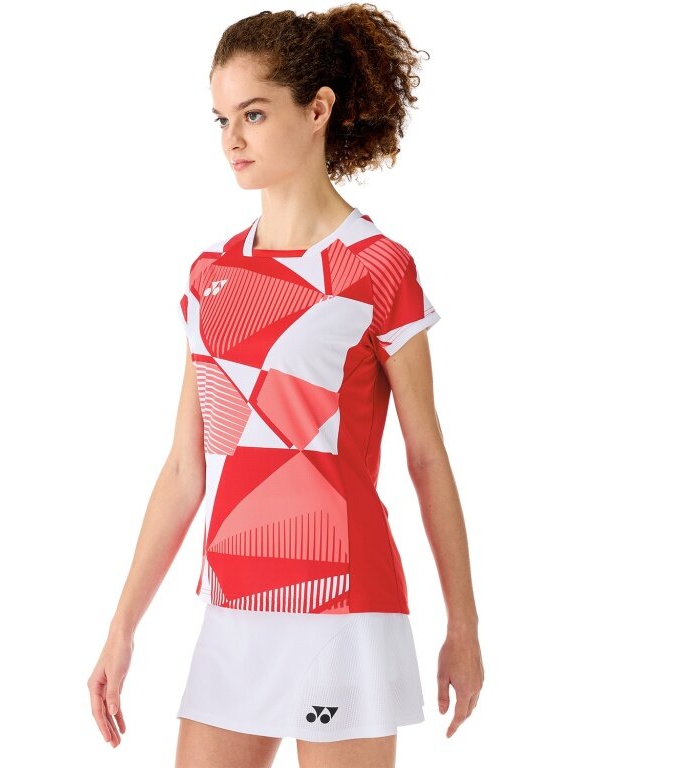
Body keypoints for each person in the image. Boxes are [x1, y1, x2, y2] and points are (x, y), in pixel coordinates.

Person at [87, 4, 483, 766]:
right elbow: (185, 469)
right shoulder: (211, 275)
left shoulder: (376, 266)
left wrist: (462, 627)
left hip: (343, 605)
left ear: (318, 109)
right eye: (221, 119)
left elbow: (426, 457)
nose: (232, 139)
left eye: (255, 113)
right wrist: (122, 627)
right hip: (233, 605)